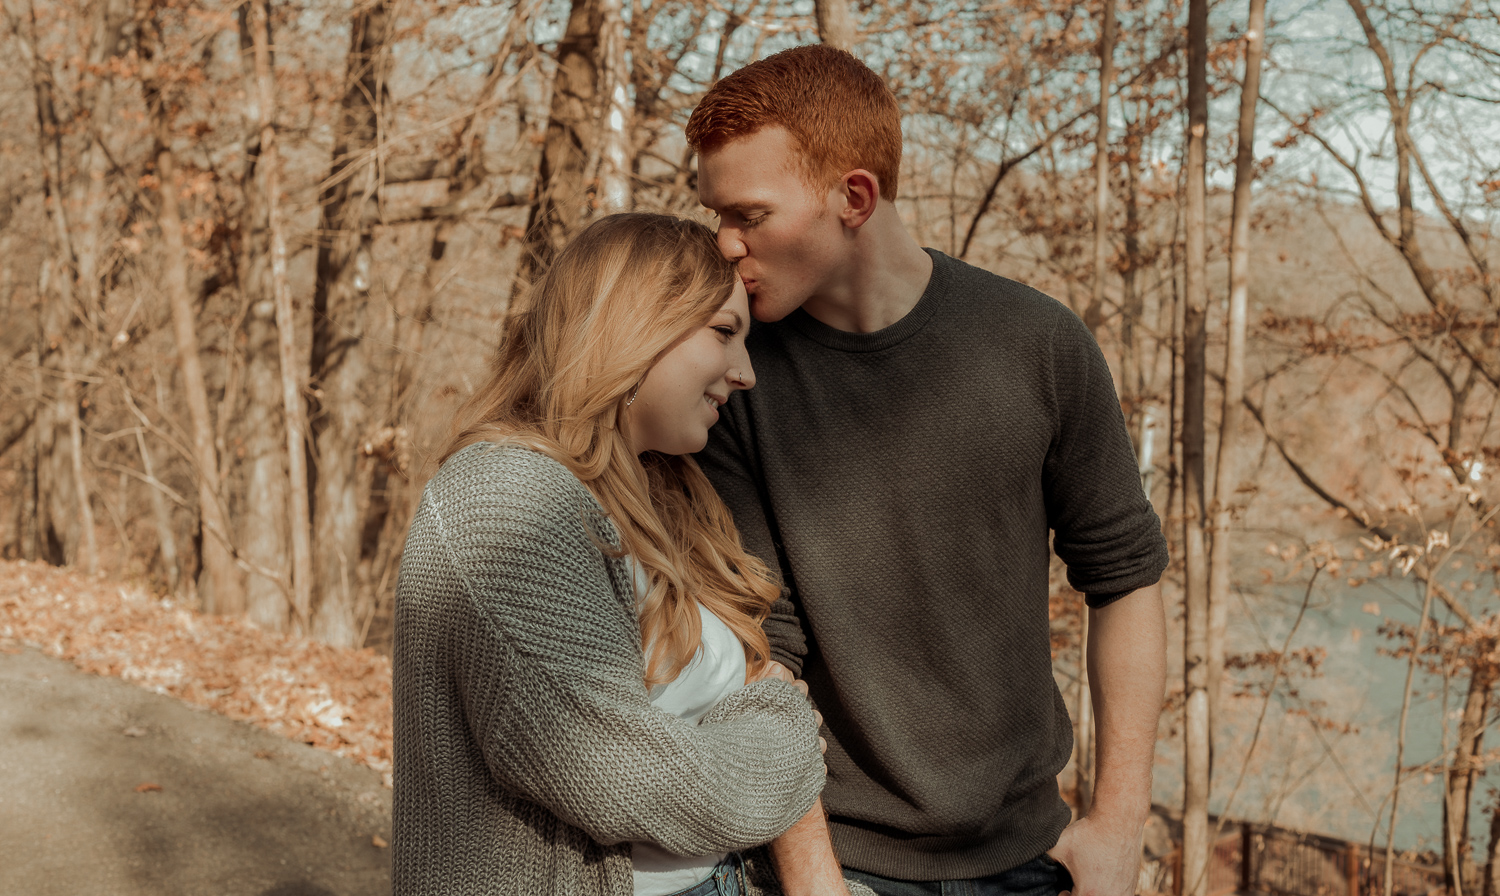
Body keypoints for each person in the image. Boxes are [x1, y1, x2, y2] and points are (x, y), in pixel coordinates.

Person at [687, 45, 1170, 896]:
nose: (725, 245)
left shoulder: (1039, 345)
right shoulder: (730, 380)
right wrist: (813, 880)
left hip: (1035, 862)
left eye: (750, 215)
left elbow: (1126, 579)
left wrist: (1117, 829)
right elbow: (764, 651)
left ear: (855, 198)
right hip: (837, 864)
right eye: (715, 214)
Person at [391, 213, 872, 896]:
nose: (745, 374)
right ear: (635, 325)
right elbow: (620, 776)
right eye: (724, 333)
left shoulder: (657, 494)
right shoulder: (502, 500)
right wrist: (782, 732)